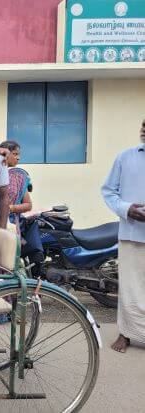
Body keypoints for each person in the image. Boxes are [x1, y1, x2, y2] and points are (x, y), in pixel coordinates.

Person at [102, 118, 145, 353]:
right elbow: (108, 191)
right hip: (132, 233)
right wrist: (127, 209)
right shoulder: (126, 157)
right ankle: (126, 334)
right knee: (130, 287)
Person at [0, 140, 43, 279]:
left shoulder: (21, 177)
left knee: (9, 262)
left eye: (18, 154)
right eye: (15, 154)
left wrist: (10, 208)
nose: (18, 157)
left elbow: (28, 205)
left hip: (11, 225)